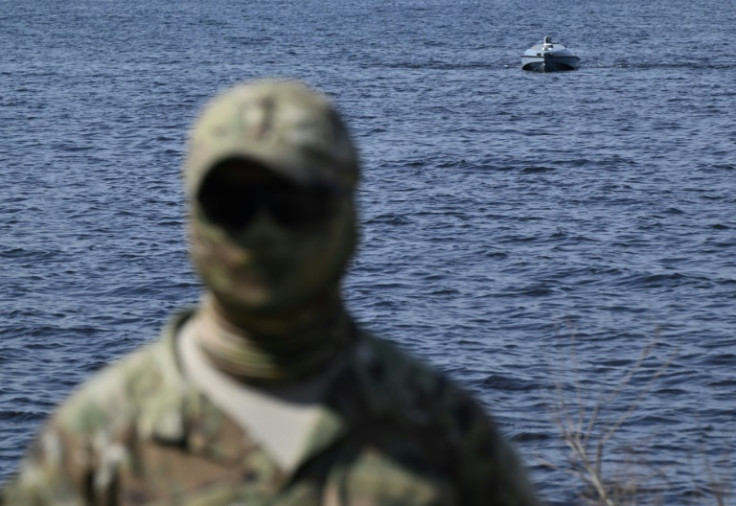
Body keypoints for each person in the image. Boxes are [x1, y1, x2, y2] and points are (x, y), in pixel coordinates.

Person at [2, 79, 539, 505]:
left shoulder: (446, 436)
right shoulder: (96, 442)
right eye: (233, 205)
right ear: (192, 224)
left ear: (348, 222)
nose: (263, 234)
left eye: (293, 205)